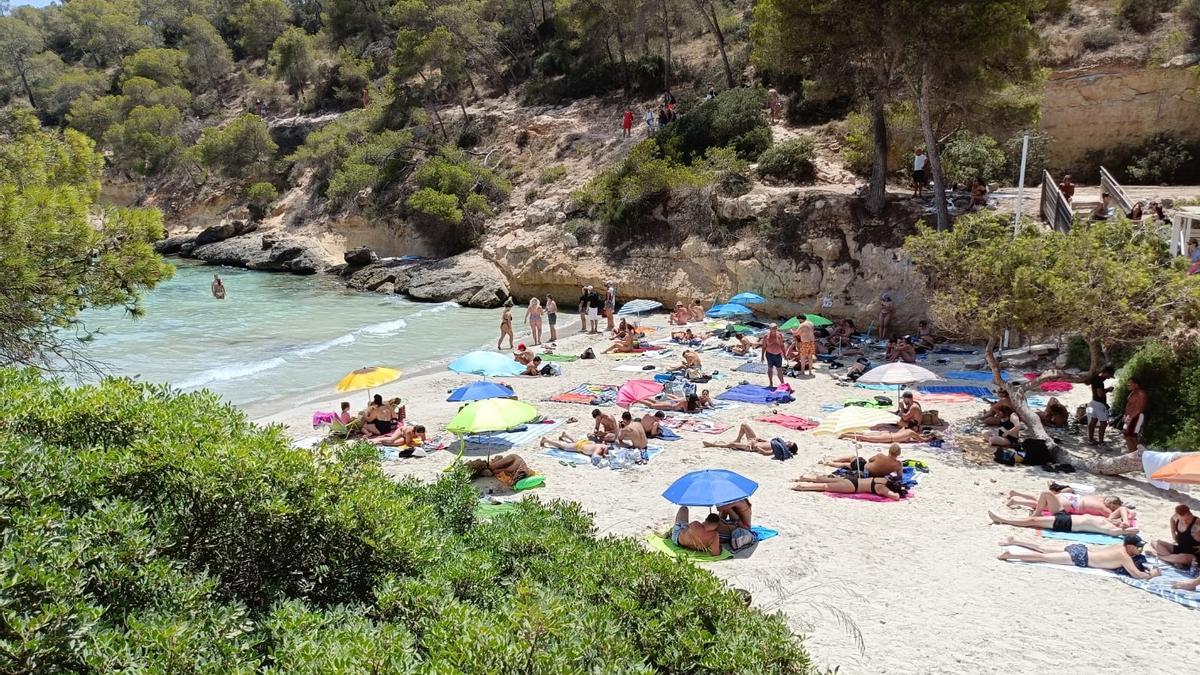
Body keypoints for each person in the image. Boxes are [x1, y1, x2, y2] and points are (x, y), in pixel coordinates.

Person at [996, 536, 1159, 580]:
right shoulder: (1124, 556)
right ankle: (1012, 554)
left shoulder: (1121, 548)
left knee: (1043, 548)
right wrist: (1152, 574)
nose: (1140, 550)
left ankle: (1015, 541)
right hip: (1080, 556)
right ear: (1130, 546)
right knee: (1044, 557)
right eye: (1138, 547)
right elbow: (1137, 575)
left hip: (1081, 548)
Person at [1005, 488, 1134, 527]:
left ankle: (1017, 495)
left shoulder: (1099, 498)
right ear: (1112, 505)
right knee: (1044, 506)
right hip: (1073, 505)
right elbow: (1112, 518)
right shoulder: (1105, 509)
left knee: (1040, 498)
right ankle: (1016, 501)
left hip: (1071, 497)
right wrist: (1127, 516)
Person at [988, 509, 1139, 537]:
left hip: (1067, 525)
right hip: (1068, 518)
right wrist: (1126, 520)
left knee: (1033, 521)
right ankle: (1003, 519)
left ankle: (1002, 519)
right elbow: (1123, 508)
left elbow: (1135, 531)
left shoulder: (1110, 528)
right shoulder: (1109, 519)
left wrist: (1126, 528)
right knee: (1033, 520)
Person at [1149, 504, 1200, 569]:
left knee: (1181, 557)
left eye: (1187, 519)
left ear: (1189, 514)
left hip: (1192, 555)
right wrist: (1173, 533)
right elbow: (1172, 519)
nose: (1184, 521)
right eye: (1181, 519)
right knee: (1155, 542)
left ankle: (1159, 556)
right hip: (1180, 548)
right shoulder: (1176, 516)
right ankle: (1175, 561)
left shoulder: (1197, 523)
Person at [702, 423, 797, 457]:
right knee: (744, 425)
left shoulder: (779, 448)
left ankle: (712, 445)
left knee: (732, 445)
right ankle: (738, 439)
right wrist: (759, 440)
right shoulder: (780, 442)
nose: (788, 442)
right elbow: (768, 442)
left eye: (789, 443)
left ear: (789, 448)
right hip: (755, 441)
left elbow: (767, 453)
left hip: (752, 447)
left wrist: (757, 447)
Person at [792, 473, 907, 500]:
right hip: (853, 486)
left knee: (825, 479)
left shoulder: (883, 479)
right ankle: (801, 486)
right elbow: (896, 497)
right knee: (825, 486)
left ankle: (805, 477)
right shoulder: (883, 489)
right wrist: (899, 492)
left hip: (852, 478)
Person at [823, 443, 903, 477]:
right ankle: (832, 461)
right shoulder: (898, 465)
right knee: (849, 462)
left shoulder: (880, 456)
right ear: (898, 454)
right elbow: (899, 476)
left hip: (864, 469)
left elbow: (870, 460)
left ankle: (831, 462)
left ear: (889, 451)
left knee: (849, 460)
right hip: (873, 475)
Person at [467, 454, 534, 489]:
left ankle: (497, 458)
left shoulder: (525, 471)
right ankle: (497, 459)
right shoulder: (514, 468)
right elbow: (499, 470)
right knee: (491, 467)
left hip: (513, 462)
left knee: (491, 469)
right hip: (512, 457)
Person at [1087, 365, 1114, 445]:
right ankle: (1101, 442)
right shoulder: (1099, 382)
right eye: (1109, 376)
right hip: (1099, 404)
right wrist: (1108, 390)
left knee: (1093, 421)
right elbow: (1100, 394)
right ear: (1106, 373)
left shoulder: (1095, 378)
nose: (1109, 378)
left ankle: (1090, 440)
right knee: (1103, 423)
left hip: (1093, 402)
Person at [540, 432, 608, 462]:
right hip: (580, 446)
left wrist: (604, 454)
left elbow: (603, 451)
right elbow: (595, 457)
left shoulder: (602, 446)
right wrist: (602, 456)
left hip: (585, 443)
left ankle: (565, 435)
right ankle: (546, 440)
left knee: (574, 442)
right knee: (563, 446)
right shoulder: (599, 448)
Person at [1121, 376, 1147, 452]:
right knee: (1127, 435)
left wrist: (1130, 418)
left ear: (1136, 384)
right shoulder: (1133, 392)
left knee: (1132, 436)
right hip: (1130, 417)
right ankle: (1132, 453)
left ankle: (1139, 454)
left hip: (1136, 416)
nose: (1127, 385)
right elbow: (1129, 405)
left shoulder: (1141, 393)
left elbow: (1139, 408)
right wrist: (1125, 415)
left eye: (1129, 384)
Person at [760, 323, 786, 388]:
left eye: (775, 328)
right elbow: (764, 346)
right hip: (769, 354)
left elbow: (782, 345)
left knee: (779, 369)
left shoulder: (780, 335)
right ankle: (771, 383)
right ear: (770, 328)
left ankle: (782, 383)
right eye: (773, 328)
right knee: (770, 368)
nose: (774, 329)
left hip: (778, 354)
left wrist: (785, 355)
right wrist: (762, 356)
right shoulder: (766, 336)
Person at [843, 427, 934, 444]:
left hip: (888, 434)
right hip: (888, 438)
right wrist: (930, 438)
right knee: (864, 438)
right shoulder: (911, 433)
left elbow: (919, 437)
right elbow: (922, 440)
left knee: (864, 434)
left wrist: (926, 435)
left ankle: (847, 432)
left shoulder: (905, 429)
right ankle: (845, 435)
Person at [635, 393, 702, 413]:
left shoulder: (689, 401)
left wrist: (698, 407)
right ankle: (637, 400)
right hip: (671, 405)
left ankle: (643, 397)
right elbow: (686, 411)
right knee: (652, 405)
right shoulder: (685, 402)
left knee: (657, 402)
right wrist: (695, 411)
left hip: (672, 403)